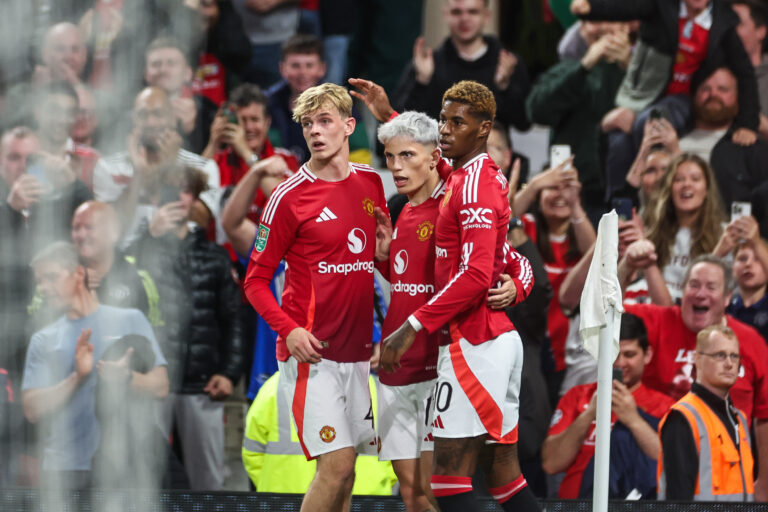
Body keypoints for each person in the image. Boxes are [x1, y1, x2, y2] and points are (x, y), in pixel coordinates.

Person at [380, 81, 538, 512]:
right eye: (443, 120)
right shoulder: (463, 179)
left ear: (484, 129)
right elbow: (508, 258)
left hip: (475, 343)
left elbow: (476, 274)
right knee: (505, 477)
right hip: (488, 340)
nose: (445, 130)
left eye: (457, 123)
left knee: (446, 484)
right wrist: (390, 117)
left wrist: (411, 328)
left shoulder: (472, 187)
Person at [242, 83, 389, 511]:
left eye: (324, 121)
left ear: (349, 126)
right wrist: (288, 332)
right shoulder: (287, 198)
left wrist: (385, 255)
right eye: (308, 124)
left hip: (359, 354)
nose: (315, 132)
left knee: (349, 472)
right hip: (313, 357)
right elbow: (255, 280)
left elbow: (375, 264)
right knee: (338, 465)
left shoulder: (371, 184)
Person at [572, 0, 760, 199]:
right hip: (646, 95)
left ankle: (652, 205)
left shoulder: (723, 20)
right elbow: (627, 7)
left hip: (683, 99)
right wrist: (591, 8)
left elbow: (745, 73)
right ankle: (619, 207)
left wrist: (748, 123)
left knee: (651, 123)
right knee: (618, 140)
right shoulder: (662, 6)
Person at [130, 167, 245, 490]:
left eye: (184, 191)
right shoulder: (142, 249)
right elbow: (119, 292)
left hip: (203, 383)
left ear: (194, 198)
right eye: (169, 190)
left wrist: (229, 372)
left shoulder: (214, 256)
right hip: (152, 380)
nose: (177, 199)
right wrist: (147, 239)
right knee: (145, 477)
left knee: (208, 480)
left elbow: (233, 319)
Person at [618, 255, 768, 499]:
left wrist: (766, 480)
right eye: (694, 285)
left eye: (711, 287)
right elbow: (605, 308)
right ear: (682, 290)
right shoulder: (658, 320)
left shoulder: (751, 342)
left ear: (728, 297)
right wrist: (628, 265)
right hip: (649, 461)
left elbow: (765, 415)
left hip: (729, 475)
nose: (700, 293)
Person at [21, 241, 168, 490]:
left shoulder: (130, 319)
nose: (44, 288)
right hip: (64, 468)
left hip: (122, 466)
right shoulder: (42, 338)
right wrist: (77, 377)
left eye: (51, 277)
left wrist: (126, 376)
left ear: (79, 273)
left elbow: (161, 386)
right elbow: (32, 410)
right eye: (39, 281)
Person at [542, 314, 674, 499]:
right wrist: (589, 415)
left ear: (647, 354)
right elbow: (551, 463)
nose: (620, 363)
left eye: (629, 355)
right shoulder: (577, 396)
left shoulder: (665, 405)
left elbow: (671, 465)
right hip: (575, 505)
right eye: (613, 354)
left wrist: (633, 419)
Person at [92, 86, 219, 248]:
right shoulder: (108, 167)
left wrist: (170, 168)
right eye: (143, 115)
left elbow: (200, 220)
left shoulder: (203, 167)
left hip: (183, 260)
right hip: (126, 263)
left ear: (173, 118)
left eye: (158, 114)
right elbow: (111, 229)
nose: (150, 122)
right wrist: (138, 176)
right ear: (133, 120)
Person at [513, 161, 597, 404]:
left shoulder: (582, 235)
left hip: (566, 352)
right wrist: (536, 184)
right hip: (527, 343)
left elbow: (596, 253)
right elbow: (503, 216)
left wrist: (575, 205)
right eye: (553, 187)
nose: (559, 195)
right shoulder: (525, 228)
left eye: (567, 187)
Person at [526, 20, 631, 214]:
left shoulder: (641, 71)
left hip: (627, 193)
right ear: (581, 29)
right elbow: (536, 111)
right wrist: (585, 65)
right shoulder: (567, 69)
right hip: (574, 195)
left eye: (612, 20)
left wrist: (629, 67)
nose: (603, 27)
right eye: (593, 21)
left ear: (625, 27)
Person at [242, 371, 398, 495]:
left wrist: (273, 485)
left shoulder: (275, 386)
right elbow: (397, 459)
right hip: (364, 499)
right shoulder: (378, 390)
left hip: (286, 499)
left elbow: (252, 454)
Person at [392, 0, 530, 132]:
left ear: (486, 16)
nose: (464, 18)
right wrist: (421, 83)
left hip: (491, 154)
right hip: (439, 153)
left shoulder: (506, 63)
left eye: (473, 12)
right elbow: (397, 126)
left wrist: (505, 88)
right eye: (457, 12)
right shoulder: (427, 65)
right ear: (446, 14)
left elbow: (524, 122)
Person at [658, 324, 755, 501]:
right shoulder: (683, 417)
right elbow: (677, 500)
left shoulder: (739, 419)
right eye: (720, 355)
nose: (729, 364)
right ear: (697, 358)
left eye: (734, 356)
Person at [203, 83, 298, 239]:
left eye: (254, 119)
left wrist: (246, 153)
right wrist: (213, 144)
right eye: (242, 120)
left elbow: (288, 204)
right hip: (223, 256)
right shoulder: (219, 160)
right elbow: (191, 194)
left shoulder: (285, 159)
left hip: (269, 252)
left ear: (267, 123)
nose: (248, 127)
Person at [636, 153, 727, 304]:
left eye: (695, 179)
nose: (687, 184)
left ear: (706, 190)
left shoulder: (724, 235)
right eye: (679, 179)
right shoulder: (652, 232)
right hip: (659, 315)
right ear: (670, 189)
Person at [267, 34, 371, 164]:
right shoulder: (268, 103)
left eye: (309, 65)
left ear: (322, 68)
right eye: (295, 66)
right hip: (282, 178)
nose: (303, 73)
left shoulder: (342, 104)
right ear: (282, 68)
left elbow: (361, 154)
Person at [70, 201, 159, 321]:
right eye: (76, 228)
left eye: (89, 227)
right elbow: (40, 325)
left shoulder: (138, 274)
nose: (81, 235)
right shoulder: (62, 273)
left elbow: (155, 325)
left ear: (113, 233)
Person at [144, 36, 217, 154]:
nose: (163, 70)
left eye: (171, 63)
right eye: (156, 64)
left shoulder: (206, 111)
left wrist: (193, 131)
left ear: (187, 73)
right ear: (146, 74)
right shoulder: (131, 112)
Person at [722, 215, 768, 342]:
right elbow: (698, 282)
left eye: (757, 259)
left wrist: (757, 242)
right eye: (742, 259)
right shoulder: (724, 308)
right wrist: (720, 251)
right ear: (733, 268)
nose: (748, 264)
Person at [730, 0, 768, 139]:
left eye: (738, 23)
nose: (730, 30)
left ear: (760, 31)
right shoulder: (715, 75)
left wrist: (757, 122)